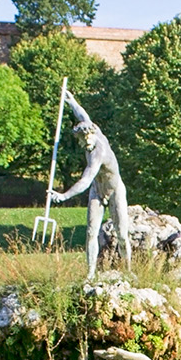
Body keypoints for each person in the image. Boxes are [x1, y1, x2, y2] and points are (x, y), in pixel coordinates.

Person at [51, 92, 132, 278]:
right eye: (83, 142)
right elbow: (83, 116)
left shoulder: (99, 152)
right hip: (98, 190)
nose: (87, 145)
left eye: (88, 141)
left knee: (121, 233)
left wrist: (64, 196)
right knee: (90, 232)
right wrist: (72, 103)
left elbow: (85, 180)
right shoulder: (89, 131)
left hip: (114, 190)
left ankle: (128, 270)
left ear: (93, 135)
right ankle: (90, 273)